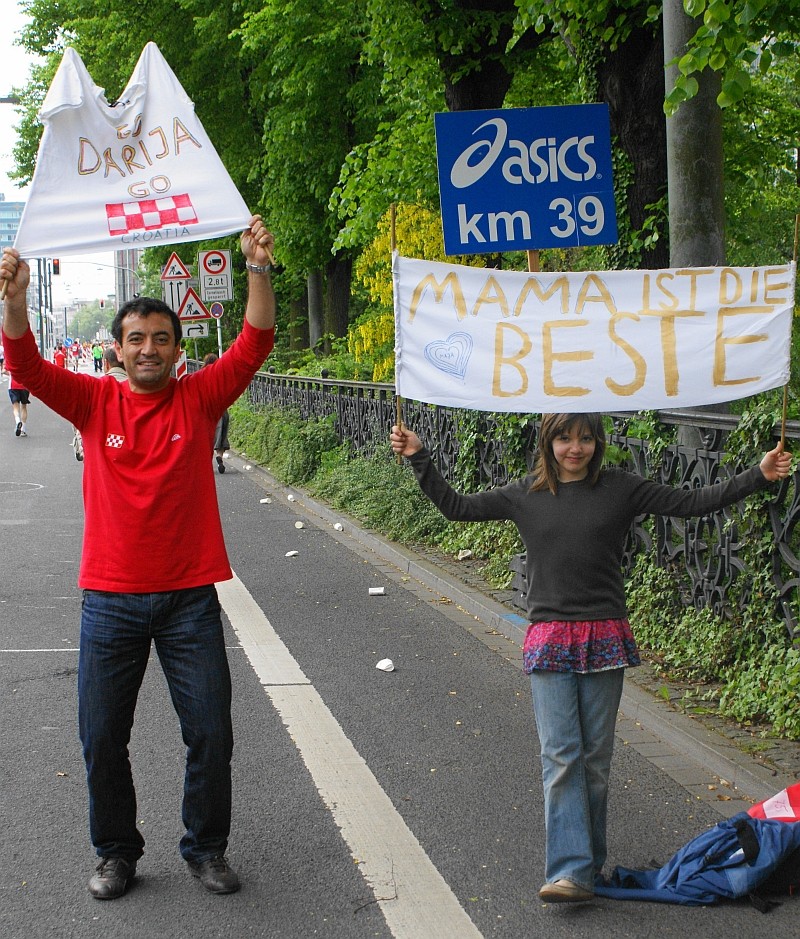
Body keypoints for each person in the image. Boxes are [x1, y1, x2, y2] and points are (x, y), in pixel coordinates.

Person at [389, 413, 792, 904]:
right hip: (550, 637)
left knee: (595, 761)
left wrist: (760, 473)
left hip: (603, 636)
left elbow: (690, 503)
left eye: (583, 437)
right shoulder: (525, 494)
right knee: (561, 756)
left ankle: (588, 867)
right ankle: (569, 871)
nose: (574, 448)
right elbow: (455, 507)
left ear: (597, 442)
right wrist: (419, 457)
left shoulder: (620, 489)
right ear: (548, 441)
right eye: (563, 438)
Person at [0, 215, 276, 902]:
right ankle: (116, 851)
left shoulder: (201, 395)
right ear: (117, 351)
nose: (147, 347)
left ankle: (205, 847)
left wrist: (258, 269)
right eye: (135, 339)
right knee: (101, 737)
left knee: (211, 732)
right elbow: (26, 365)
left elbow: (254, 342)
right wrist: (11, 298)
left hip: (189, 600)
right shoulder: (94, 402)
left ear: (177, 351)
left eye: (159, 338)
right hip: (109, 601)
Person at [202, 352, 230, 473]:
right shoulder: (221, 375)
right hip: (221, 410)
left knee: (206, 437)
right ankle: (219, 456)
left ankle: (206, 462)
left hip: (206, 411)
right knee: (221, 436)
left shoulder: (201, 376)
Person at [8, 369, 30, 436]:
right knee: (24, 407)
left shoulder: (11, 359)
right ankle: (23, 430)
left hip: (13, 386)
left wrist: (10, 374)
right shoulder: (27, 360)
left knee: (15, 407)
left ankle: (17, 421)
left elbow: (3, 371)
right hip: (25, 386)